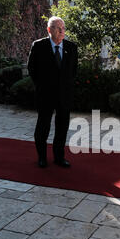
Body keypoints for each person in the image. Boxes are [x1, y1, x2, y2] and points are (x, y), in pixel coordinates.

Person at [27, 16, 78, 168]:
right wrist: (42, 86)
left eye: (63, 28)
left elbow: (73, 71)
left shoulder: (71, 47)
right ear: (49, 30)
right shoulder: (38, 46)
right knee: (43, 127)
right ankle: (42, 157)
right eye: (58, 28)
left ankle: (59, 157)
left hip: (64, 96)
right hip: (45, 95)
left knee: (62, 128)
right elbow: (32, 69)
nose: (62, 31)